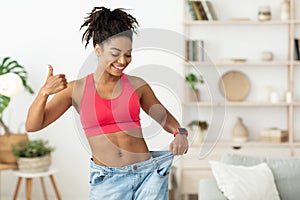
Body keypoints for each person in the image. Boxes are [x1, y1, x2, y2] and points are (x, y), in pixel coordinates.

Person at [25, 6, 189, 200]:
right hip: (108, 180)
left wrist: (181, 133)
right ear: (98, 49)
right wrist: (44, 93)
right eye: (115, 53)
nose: (122, 60)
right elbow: (33, 125)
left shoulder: (138, 86)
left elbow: (165, 118)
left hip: (148, 174)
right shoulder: (75, 90)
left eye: (128, 54)